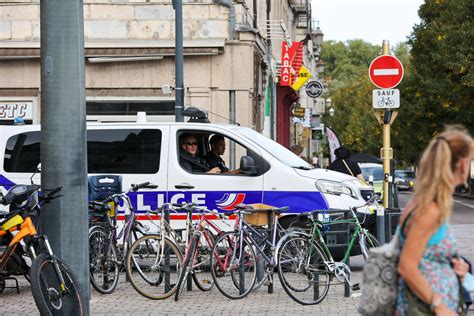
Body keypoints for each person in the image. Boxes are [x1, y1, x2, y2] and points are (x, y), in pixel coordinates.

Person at [396, 126, 472, 315]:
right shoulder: (429, 210)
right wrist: (439, 306)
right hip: (425, 309)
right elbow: (407, 265)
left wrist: (454, 267)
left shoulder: (425, 204)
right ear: (462, 164)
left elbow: (425, 257)